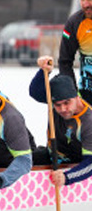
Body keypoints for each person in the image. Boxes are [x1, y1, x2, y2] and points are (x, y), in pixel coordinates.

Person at [30, 56, 92, 187]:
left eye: (67, 103)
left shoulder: (89, 121)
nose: (63, 109)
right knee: (20, 160)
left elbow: (90, 163)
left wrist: (66, 177)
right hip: (52, 156)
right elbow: (35, 92)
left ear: (77, 97)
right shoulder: (56, 102)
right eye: (57, 105)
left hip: (76, 166)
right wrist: (44, 72)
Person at [59, 0, 92, 104]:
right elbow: (64, 61)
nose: (85, 4)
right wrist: (71, 92)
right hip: (87, 96)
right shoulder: (74, 23)